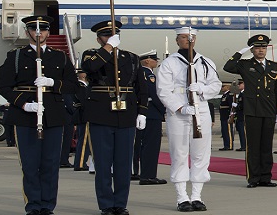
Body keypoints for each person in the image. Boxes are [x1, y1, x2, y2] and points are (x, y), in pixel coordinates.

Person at [0, 15, 74, 215]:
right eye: (33, 29)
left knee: (50, 164)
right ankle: (33, 205)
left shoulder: (60, 57)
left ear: (49, 32)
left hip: (54, 114)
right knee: (30, 165)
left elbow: (72, 85)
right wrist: (24, 104)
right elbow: (4, 87)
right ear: (27, 32)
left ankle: (48, 205)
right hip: (26, 115)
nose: (38, 33)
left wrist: (52, 83)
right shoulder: (15, 57)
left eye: (43, 30)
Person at [80, 19, 144, 214]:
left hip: (126, 114)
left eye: (113, 35)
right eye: (106, 35)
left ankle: (120, 203)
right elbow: (90, 69)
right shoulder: (91, 55)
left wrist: (142, 111)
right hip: (101, 114)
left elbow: (141, 88)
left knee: (124, 164)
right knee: (103, 163)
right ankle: (106, 204)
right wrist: (108, 48)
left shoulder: (131, 58)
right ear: (99, 38)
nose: (110, 38)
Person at [157, 26, 223, 212]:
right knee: (179, 154)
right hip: (179, 112)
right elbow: (163, 90)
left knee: (201, 155)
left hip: (200, 109)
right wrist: (179, 107)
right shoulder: (170, 63)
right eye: (184, 37)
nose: (188, 40)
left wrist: (202, 89)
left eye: (191, 37)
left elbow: (216, 84)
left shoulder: (205, 62)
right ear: (177, 40)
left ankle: (196, 195)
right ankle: (181, 197)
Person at [223, 34, 277, 188]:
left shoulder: (274, 66)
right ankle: (253, 178)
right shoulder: (245, 65)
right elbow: (228, 67)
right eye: (257, 48)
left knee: (266, 146)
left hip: (269, 110)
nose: (261, 50)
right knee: (253, 146)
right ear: (252, 50)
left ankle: (266, 177)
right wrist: (239, 53)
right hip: (252, 110)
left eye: (263, 47)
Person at [135, 52, 168, 185]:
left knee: (141, 145)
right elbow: (154, 94)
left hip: (143, 113)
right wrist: (164, 109)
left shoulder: (138, 73)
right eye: (155, 60)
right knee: (151, 146)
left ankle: (143, 173)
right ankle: (148, 175)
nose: (156, 62)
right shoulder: (147, 75)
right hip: (151, 114)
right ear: (147, 61)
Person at [218, 83, 235, 151]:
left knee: (228, 131)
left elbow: (231, 106)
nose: (222, 88)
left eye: (223, 86)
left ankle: (229, 145)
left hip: (227, 115)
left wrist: (231, 115)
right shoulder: (224, 95)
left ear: (227, 87)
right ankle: (226, 145)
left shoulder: (229, 95)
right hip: (223, 116)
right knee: (224, 131)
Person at [232, 81, 247, 152]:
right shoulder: (241, 94)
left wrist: (236, 106)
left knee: (242, 132)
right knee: (240, 131)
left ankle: (244, 146)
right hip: (240, 115)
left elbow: (243, 105)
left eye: (240, 84)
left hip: (242, 115)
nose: (238, 86)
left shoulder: (244, 94)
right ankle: (243, 145)